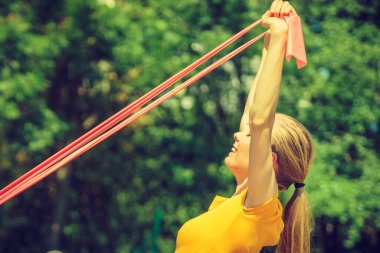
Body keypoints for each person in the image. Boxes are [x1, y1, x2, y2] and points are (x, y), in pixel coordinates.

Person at [175, 1, 314, 253]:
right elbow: (254, 118)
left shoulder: (261, 208)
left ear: (270, 159)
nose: (238, 133)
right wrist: (269, 45)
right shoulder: (236, 207)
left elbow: (260, 121)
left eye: (249, 134)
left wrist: (281, 36)